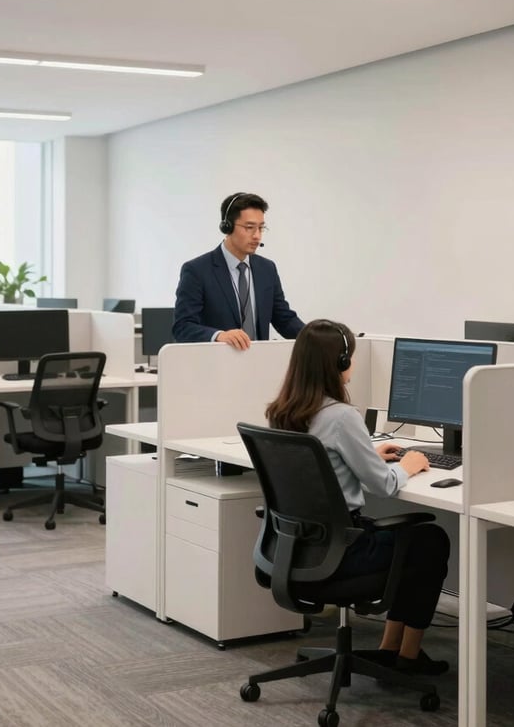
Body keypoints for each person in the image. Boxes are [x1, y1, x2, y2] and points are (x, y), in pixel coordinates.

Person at [267, 319, 450, 675]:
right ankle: (407, 657)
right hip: (341, 553)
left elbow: (321, 462)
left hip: (298, 547)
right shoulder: (341, 416)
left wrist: (365, 452)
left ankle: (390, 649)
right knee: (430, 539)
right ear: (339, 362)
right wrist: (409, 465)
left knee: (415, 541)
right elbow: (384, 485)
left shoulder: (283, 411)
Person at [172, 192, 303, 348]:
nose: (257, 236)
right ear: (227, 227)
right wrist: (219, 336)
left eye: (261, 228)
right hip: (217, 366)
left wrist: (318, 336)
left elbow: (284, 319)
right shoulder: (197, 271)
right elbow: (183, 327)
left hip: (259, 364)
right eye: (249, 228)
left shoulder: (267, 269)